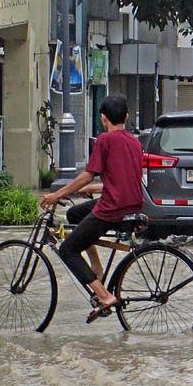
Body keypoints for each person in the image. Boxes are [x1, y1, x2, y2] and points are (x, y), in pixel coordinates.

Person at [40, 94, 144, 323]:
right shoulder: (135, 142)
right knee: (74, 213)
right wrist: (97, 188)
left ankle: (104, 296)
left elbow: (87, 175)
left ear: (103, 119)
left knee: (68, 249)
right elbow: (123, 178)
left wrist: (57, 194)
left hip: (112, 208)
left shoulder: (105, 141)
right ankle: (96, 267)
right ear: (126, 117)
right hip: (131, 204)